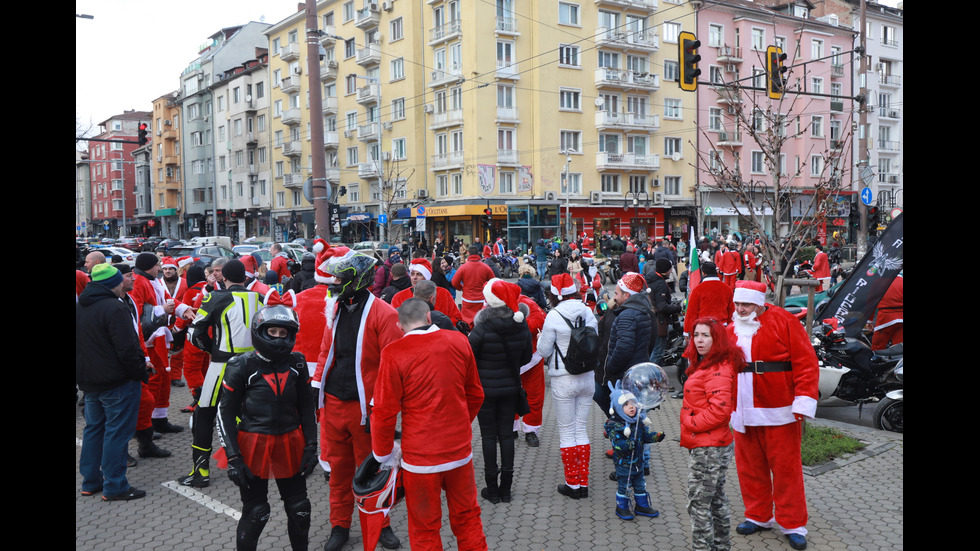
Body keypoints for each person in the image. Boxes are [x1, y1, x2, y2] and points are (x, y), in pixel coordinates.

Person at [371, 298, 488, 551]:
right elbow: (476, 394)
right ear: (428, 317)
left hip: (420, 459)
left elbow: (383, 411)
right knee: (468, 517)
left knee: (424, 527)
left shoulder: (393, 353)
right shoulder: (459, 341)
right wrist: (460, 424)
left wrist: (382, 455)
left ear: (399, 326)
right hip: (459, 452)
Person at [312, 250, 403, 551]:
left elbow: (392, 367)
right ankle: (340, 527)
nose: (333, 281)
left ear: (356, 279)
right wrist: (316, 386)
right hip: (334, 404)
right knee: (338, 473)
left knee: (374, 474)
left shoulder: (384, 314)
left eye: (339, 276)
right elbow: (326, 351)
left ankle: (382, 525)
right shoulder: (334, 308)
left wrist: (382, 409)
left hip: (367, 410)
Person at [216, 305, 318, 551]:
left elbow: (307, 407)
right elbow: (224, 412)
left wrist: (312, 446)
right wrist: (233, 457)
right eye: (272, 331)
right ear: (259, 331)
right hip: (253, 445)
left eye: (284, 333)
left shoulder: (298, 362)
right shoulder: (240, 365)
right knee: (256, 513)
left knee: (300, 510)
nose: (278, 338)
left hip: (292, 442)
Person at [728, 281, 819, 551]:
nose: (741, 309)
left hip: (779, 410)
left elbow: (806, 361)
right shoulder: (730, 328)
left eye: (746, 304)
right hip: (743, 411)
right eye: (737, 304)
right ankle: (758, 516)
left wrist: (803, 400)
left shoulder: (784, 321)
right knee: (749, 468)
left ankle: (793, 524)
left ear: (758, 302)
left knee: (786, 471)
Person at [181, 259, 265, 488]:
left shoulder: (215, 297)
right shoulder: (259, 298)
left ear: (223, 278)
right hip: (254, 365)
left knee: (204, 415)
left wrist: (212, 349)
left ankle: (200, 472)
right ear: (246, 278)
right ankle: (252, 462)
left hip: (222, 364)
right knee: (248, 413)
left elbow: (194, 334)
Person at [77, 263, 149, 501]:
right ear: (112, 284)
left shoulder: (80, 306)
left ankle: (90, 481)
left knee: (94, 430)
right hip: (117, 381)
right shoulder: (114, 308)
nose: (123, 285)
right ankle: (115, 485)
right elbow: (127, 349)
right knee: (117, 433)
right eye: (120, 281)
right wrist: (139, 371)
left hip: (90, 381)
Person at [468, 279, 532, 504]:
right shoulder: (521, 324)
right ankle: (506, 488)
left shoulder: (482, 327)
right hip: (511, 389)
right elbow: (526, 357)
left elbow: (469, 359)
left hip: (485, 390)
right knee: (506, 435)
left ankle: (492, 489)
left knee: (488, 436)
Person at [681, 317, 742, 551]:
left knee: (698, 503)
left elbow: (720, 410)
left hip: (709, 447)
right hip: (712, 444)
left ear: (716, 338)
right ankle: (720, 545)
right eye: (696, 334)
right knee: (715, 499)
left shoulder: (718, 369)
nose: (699, 340)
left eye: (705, 335)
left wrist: (690, 421)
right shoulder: (710, 363)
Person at [538, 273, 599, 499]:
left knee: (566, 431)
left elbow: (543, 351)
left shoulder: (553, 315)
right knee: (581, 428)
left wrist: (539, 339)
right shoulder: (587, 311)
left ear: (555, 293)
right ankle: (582, 482)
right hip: (587, 376)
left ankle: (572, 484)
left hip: (563, 378)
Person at [605, 383, 665, 520]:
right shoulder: (615, 426)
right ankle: (622, 507)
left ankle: (642, 506)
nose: (631, 407)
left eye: (633, 403)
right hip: (624, 464)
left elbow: (644, 437)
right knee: (624, 486)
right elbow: (617, 444)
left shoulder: (637, 422)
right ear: (617, 408)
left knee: (640, 485)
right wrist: (628, 444)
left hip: (638, 463)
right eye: (626, 405)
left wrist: (655, 437)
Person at [391, 258, 464, 327]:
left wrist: (442, 326)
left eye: (419, 274)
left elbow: (456, 318)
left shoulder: (443, 293)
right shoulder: (399, 297)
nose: (414, 277)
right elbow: (394, 322)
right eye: (412, 274)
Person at [645, 259, 682, 365]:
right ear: (666, 270)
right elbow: (662, 307)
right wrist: (677, 308)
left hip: (649, 319)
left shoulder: (650, 279)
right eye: (670, 269)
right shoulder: (660, 284)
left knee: (652, 350)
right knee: (657, 352)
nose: (671, 271)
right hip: (659, 321)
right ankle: (651, 376)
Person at [683, 262, 734, 338]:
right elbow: (731, 312)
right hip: (722, 328)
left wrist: (687, 332)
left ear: (703, 273)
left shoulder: (698, 290)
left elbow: (691, 313)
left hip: (703, 328)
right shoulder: (727, 289)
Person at [452, 245, 496, 327]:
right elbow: (493, 282)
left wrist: (461, 288)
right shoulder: (486, 267)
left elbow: (454, 282)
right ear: (478, 254)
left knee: (467, 322)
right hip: (482, 300)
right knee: (482, 321)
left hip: (468, 299)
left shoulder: (463, 267)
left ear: (468, 253)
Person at [871, 272, 903, 350]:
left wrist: (869, 320)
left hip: (885, 319)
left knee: (877, 347)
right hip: (901, 318)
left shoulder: (878, 282)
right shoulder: (902, 281)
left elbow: (871, 302)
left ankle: (877, 361)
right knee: (898, 348)